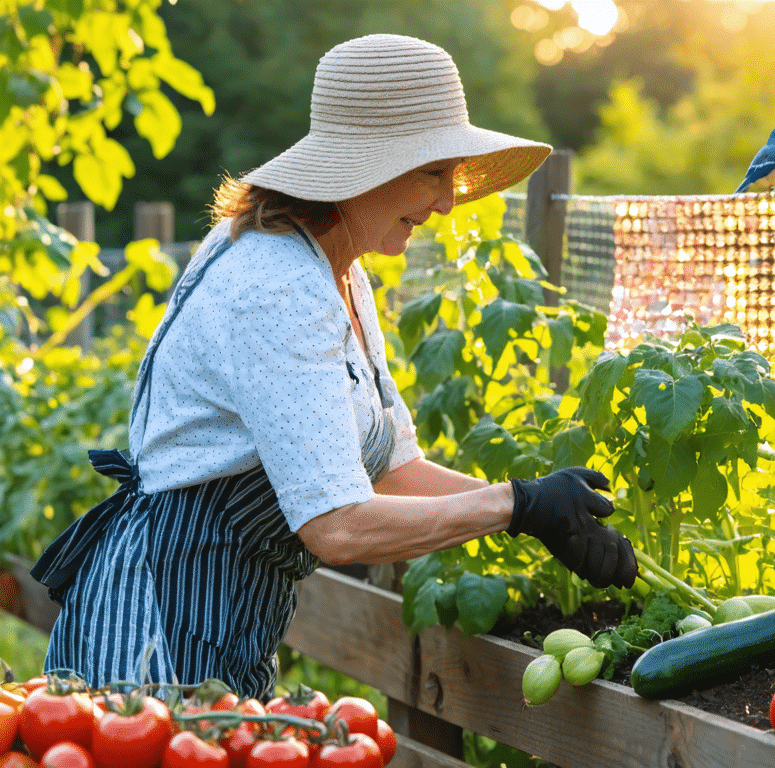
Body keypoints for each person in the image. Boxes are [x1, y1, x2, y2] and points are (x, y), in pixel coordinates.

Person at [30, 33, 637, 700]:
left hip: (225, 617)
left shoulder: (337, 269)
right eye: (435, 173)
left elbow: (395, 468)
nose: (448, 202)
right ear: (365, 168)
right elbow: (336, 525)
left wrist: (545, 511)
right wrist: (515, 505)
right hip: (162, 616)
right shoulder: (277, 286)